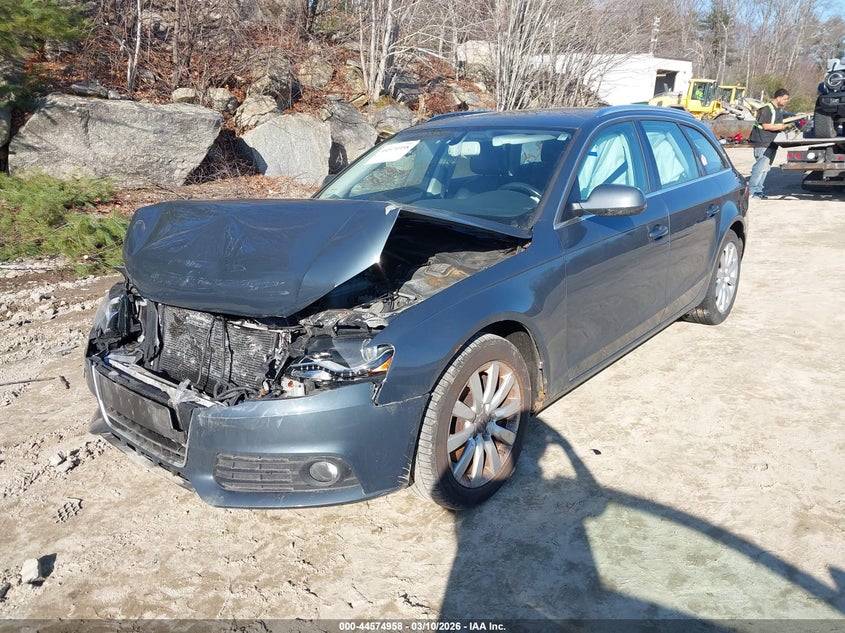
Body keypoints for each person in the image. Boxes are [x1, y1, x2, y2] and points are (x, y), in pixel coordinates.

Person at [748, 88, 791, 200]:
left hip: (771, 142)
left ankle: (758, 190)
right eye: (785, 99)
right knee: (760, 167)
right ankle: (752, 190)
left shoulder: (777, 110)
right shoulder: (767, 109)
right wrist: (781, 127)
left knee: (765, 168)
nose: (786, 101)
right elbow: (766, 126)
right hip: (762, 141)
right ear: (778, 98)